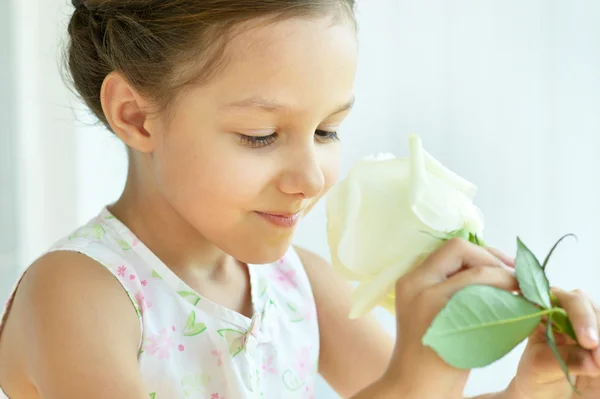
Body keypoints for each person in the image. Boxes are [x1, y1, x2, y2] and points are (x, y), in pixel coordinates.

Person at [0, 1, 598, 398]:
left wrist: (535, 389)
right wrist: (415, 380)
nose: (312, 177)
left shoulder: (295, 285)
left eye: (327, 130)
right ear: (136, 115)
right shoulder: (77, 294)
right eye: (260, 136)